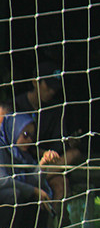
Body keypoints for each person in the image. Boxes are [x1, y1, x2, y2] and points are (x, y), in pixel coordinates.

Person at [12, 60, 83, 201]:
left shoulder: (56, 109)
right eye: (48, 86)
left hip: (48, 165)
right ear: (35, 82)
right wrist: (42, 153)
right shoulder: (16, 105)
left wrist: (67, 144)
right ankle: (31, 179)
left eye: (55, 88)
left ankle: (55, 220)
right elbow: (16, 144)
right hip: (20, 160)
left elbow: (58, 143)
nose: (51, 91)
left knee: (70, 164)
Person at [1, 107, 55, 228]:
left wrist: (42, 166)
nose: (29, 140)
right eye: (25, 135)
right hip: (6, 200)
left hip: (15, 197)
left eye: (32, 136)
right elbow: (3, 180)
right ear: (13, 130)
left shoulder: (23, 156)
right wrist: (34, 190)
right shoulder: (2, 148)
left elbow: (32, 182)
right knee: (13, 195)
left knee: (40, 200)